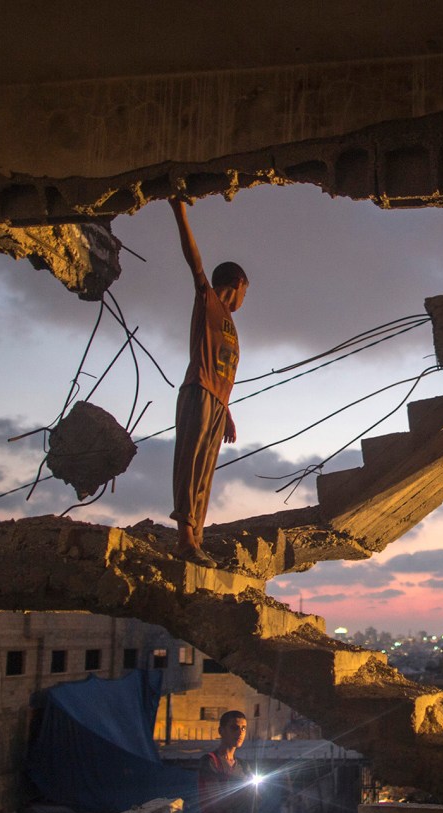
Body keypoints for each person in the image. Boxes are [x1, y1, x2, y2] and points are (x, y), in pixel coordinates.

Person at [169, 197, 247, 565]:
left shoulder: (230, 325)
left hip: (217, 401)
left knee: (205, 471)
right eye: (246, 291)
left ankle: (195, 538)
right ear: (239, 283)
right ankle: (184, 538)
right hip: (198, 390)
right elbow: (195, 262)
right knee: (190, 462)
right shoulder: (210, 300)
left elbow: (225, 371)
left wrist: (227, 411)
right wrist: (179, 212)